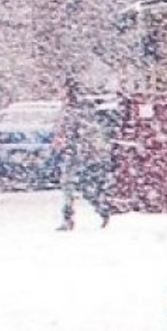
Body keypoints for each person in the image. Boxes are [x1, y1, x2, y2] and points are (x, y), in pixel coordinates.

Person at [55, 86, 115, 231]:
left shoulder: (74, 112)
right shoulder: (73, 111)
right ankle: (75, 216)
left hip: (79, 154)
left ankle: (99, 209)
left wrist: (68, 143)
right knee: (74, 186)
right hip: (78, 153)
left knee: (76, 186)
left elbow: (76, 132)